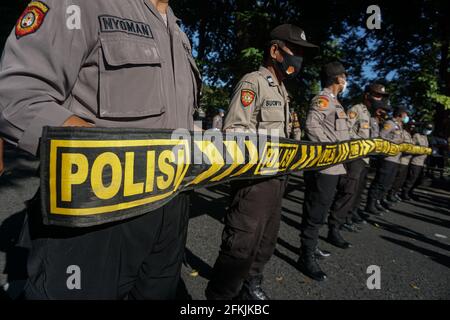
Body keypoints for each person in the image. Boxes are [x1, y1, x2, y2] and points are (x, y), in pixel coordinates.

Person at [0, 0, 201, 299]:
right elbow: (16, 96)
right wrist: (105, 156)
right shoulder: (82, 4)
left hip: (171, 211)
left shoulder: (178, 31)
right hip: (96, 212)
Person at [205, 24, 318, 300]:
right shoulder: (253, 82)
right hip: (254, 181)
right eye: (295, 50)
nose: (299, 58)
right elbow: (233, 133)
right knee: (241, 245)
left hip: (279, 179)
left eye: (302, 52)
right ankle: (221, 297)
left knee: (265, 242)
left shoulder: (283, 91)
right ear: (275, 51)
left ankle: (250, 286)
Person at [298, 61, 350, 282]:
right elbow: (311, 126)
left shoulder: (336, 103)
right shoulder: (323, 99)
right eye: (345, 76)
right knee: (315, 211)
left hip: (335, 166)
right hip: (325, 166)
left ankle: (313, 245)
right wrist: (331, 149)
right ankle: (305, 256)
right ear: (338, 78)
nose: (346, 80)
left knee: (322, 209)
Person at [332, 83, 390, 232]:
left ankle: (347, 218)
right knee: (347, 192)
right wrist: (364, 143)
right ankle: (334, 227)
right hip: (355, 158)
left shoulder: (370, 114)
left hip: (365, 158)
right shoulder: (356, 109)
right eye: (377, 96)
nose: (380, 99)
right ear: (367, 95)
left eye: (382, 97)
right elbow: (346, 132)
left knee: (358, 192)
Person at [365, 106, 409, 215]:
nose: (406, 116)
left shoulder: (400, 125)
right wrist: (394, 141)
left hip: (396, 159)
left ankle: (377, 201)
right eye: (405, 114)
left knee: (387, 183)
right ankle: (370, 204)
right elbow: (381, 137)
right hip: (387, 158)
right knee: (380, 181)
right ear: (400, 114)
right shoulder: (390, 124)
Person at [401, 123, 432, 200]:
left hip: (422, 162)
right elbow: (412, 148)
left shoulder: (425, 137)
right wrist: (421, 150)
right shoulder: (416, 136)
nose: (428, 131)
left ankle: (410, 192)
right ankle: (404, 193)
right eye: (427, 129)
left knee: (418, 180)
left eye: (429, 129)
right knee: (412, 179)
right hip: (415, 162)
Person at [388, 122, 414, 202]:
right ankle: (390, 194)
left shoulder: (410, 135)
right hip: (401, 159)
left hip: (407, 160)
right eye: (410, 126)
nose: (412, 128)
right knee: (397, 178)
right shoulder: (404, 133)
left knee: (401, 180)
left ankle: (394, 193)